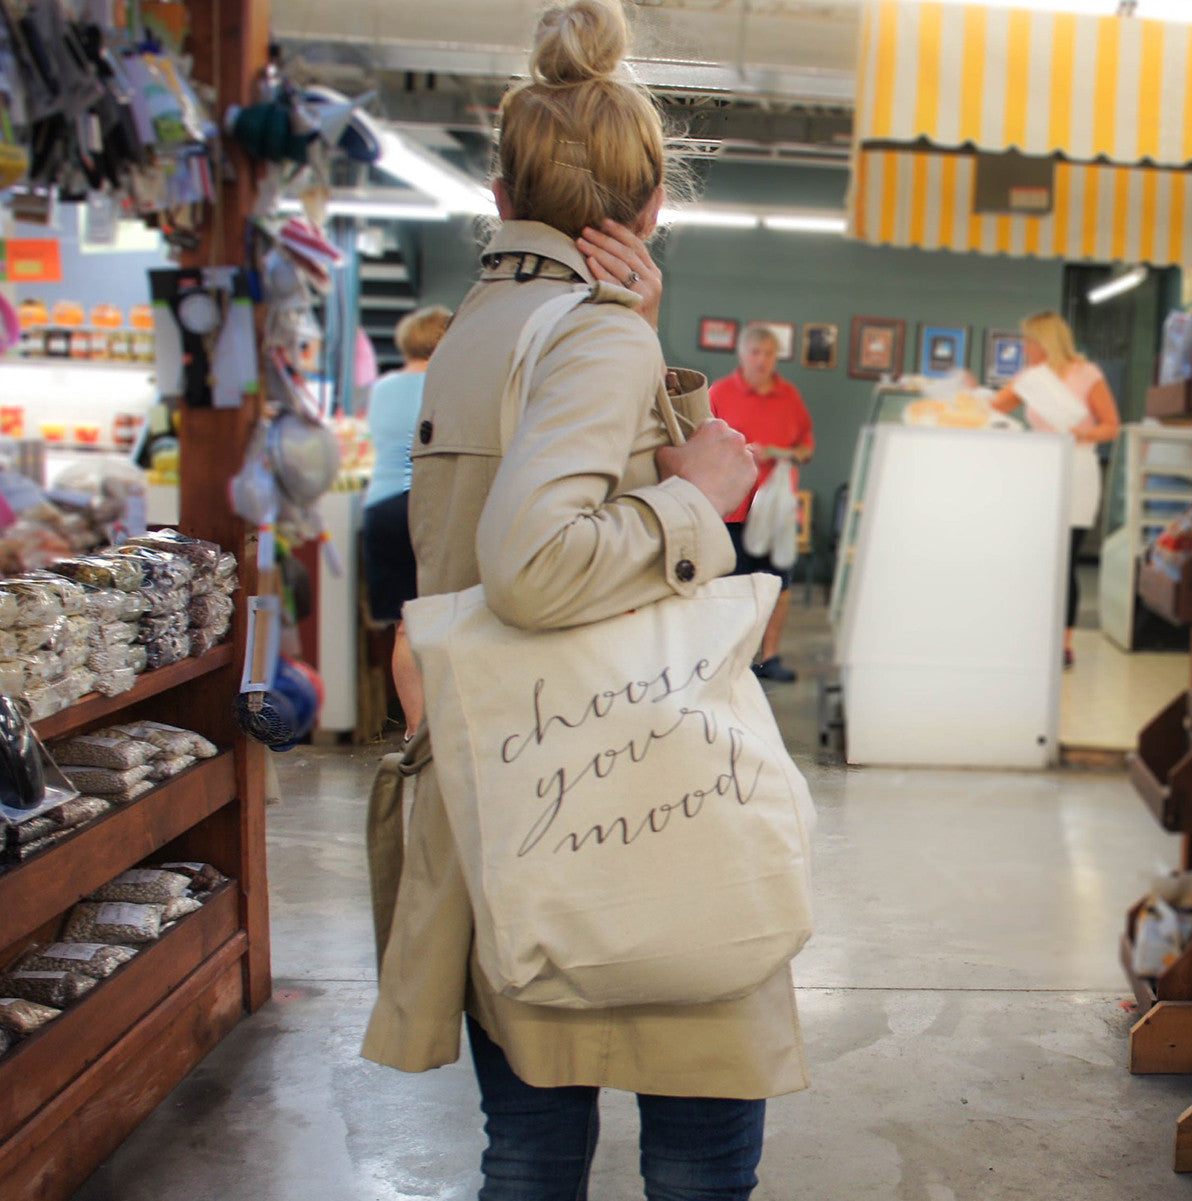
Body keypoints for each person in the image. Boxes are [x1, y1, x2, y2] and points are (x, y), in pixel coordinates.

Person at [362, 2, 810, 1198]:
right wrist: (700, 500)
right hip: (635, 796)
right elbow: (535, 561)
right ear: (651, 204)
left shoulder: (472, 333)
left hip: (506, 793)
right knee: (703, 1152)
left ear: (501, 191)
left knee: (532, 1143)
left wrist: (639, 343)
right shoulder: (592, 341)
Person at [990, 311, 1120, 666]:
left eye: (1029, 341)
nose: (1024, 347)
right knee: (1035, 559)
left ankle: (1063, 644)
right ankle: (1030, 633)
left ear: (1046, 342)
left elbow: (1111, 426)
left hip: (1077, 469)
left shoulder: (1087, 374)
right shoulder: (1030, 378)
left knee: (1064, 561)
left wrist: (1082, 434)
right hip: (1039, 470)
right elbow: (994, 406)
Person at [361, 304, 451, 734]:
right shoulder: (445, 385)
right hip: (426, 506)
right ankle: (448, 731)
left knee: (404, 628)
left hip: (382, 509)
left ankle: (415, 732)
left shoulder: (383, 387)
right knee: (450, 622)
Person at [709, 323, 815, 683]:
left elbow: (806, 450)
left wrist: (778, 452)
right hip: (731, 507)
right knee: (731, 586)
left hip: (776, 511)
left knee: (778, 587)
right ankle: (726, 657)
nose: (762, 360)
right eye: (755, 352)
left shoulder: (789, 397)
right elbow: (700, 441)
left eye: (769, 353)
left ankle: (769, 657)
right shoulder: (719, 393)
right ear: (742, 354)